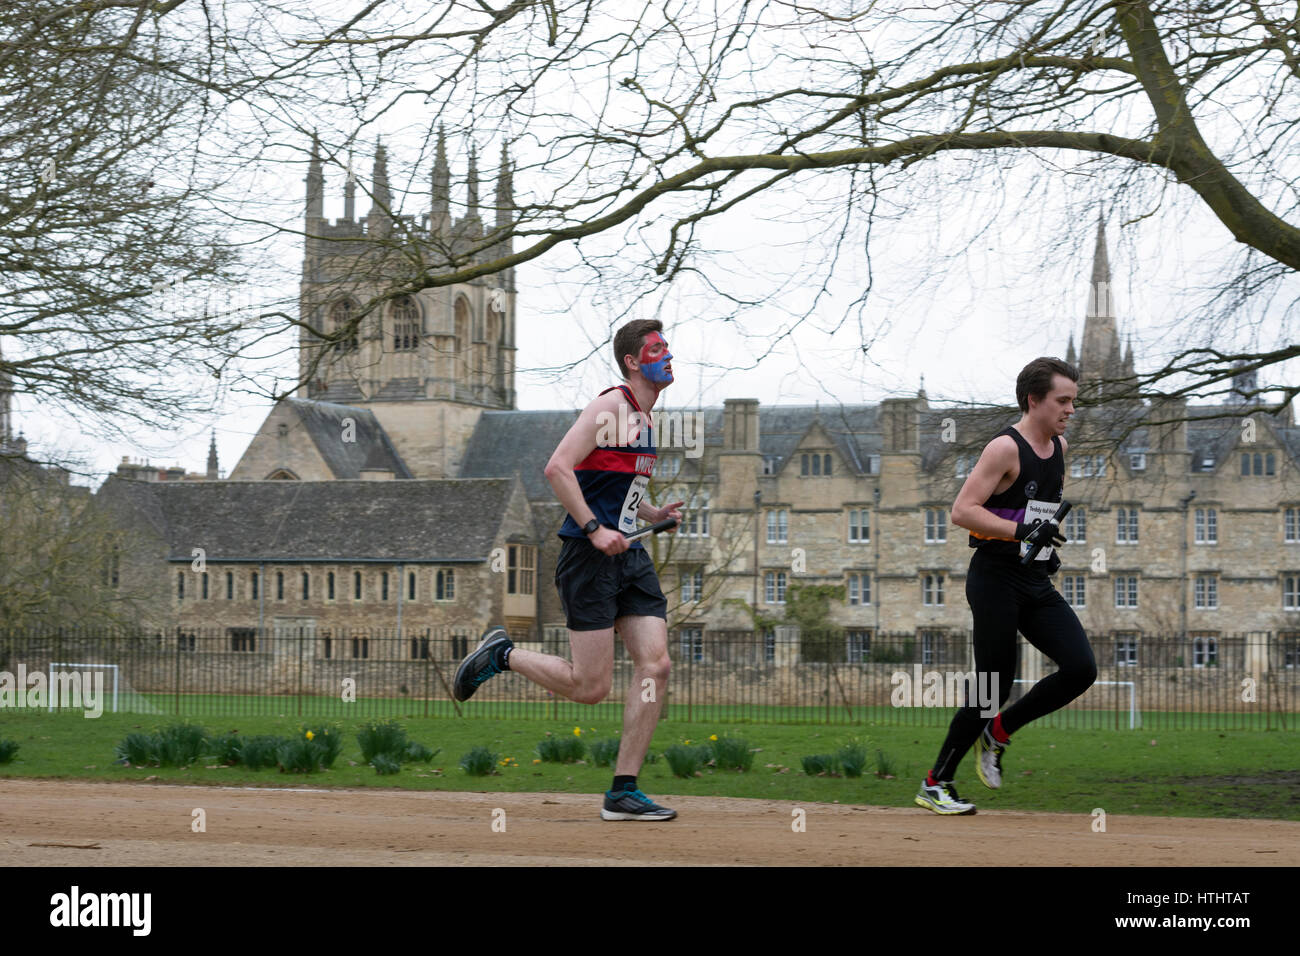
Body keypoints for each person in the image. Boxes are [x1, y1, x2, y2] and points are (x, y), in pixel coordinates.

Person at [453, 319, 684, 821]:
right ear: (632, 361)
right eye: (657, 349)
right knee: (591, 687)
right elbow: (558, 467)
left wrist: (653, 515)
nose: (668, 356)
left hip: (630, 559)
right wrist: (595, 529)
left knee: (657, 665)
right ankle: (503, 654)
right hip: (588, 558)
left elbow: (617, 489)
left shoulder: (646, 420)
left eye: (668, 348)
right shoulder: (612, 406)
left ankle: (623, 790)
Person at [915, 356, 1098, 815]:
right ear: (1034, 400)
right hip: (994, 579)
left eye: (1073, 401)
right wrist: (1021, 533)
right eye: (1063, 400)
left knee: (1081, 668)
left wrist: (1042, 541)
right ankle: (936, 783)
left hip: (1035, 579)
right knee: (991, 687)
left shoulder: (1061, 447)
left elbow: (1032, 512)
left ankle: (997, 733)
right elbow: (962, 511)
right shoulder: (1004, 449)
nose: (1071, 409)